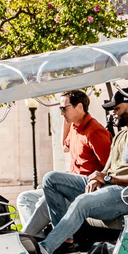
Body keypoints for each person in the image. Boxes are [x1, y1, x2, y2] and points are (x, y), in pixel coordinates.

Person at [36, 88, 128, 254]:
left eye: (117, 108)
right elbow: (106, 169)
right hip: (111, 187)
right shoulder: (121, 136)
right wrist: (97, 177)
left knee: (82, 201)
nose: (113, 113)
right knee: (51, 179)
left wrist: (108, 179)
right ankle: (66, 244)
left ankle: (45, 248)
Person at [17, 90, 111, 238]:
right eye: (60, 109)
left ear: (79, 107)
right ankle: (37, 238)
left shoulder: (95, 132)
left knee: (46, 197)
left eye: (64, 109)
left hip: (85, 190)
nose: (61, 113)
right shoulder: (74, 127)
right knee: (24, 198)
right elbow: (64, 147)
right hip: (69, 184)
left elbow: (110, 167)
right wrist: (67, 119)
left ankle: (26, 239)